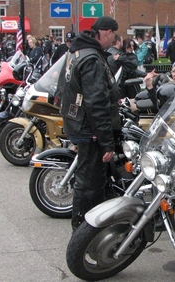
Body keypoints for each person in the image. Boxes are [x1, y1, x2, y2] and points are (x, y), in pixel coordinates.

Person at [58, 16, 121, 231]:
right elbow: (96, 103)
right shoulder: (92, 58)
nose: (113, 41)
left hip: (79, 123)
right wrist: (107, 142)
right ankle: (83, 230)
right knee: (89, 183)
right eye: (113, 35)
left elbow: (62, 88)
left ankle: (94, 225)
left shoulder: (77, 52)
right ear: (107, 32)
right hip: (89, 128)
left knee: (92, 180)